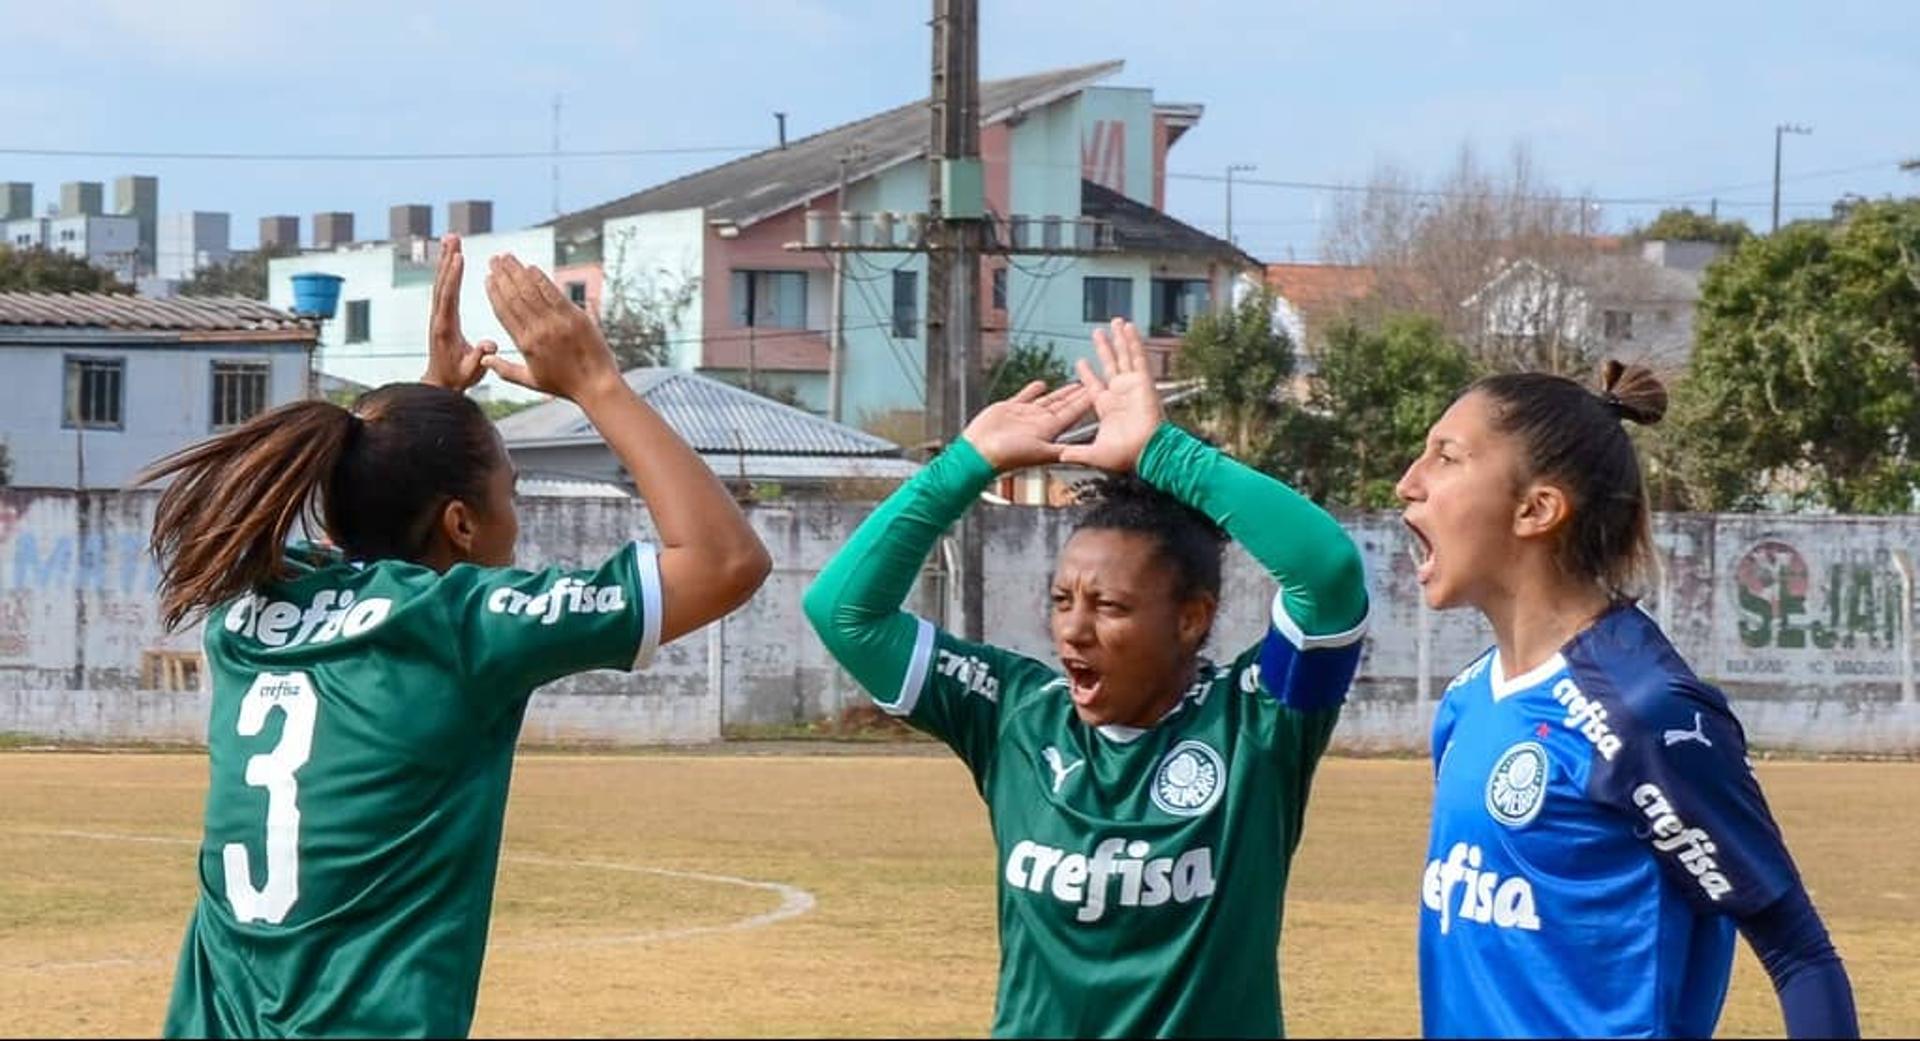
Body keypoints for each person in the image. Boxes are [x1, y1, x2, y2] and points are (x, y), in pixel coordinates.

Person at [151, 236, 771, 1038]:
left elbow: (363, 545)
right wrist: (596, 383)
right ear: (461, 523)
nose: (518, 514)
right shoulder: (460, 625)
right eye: (510, 491)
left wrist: (425, 404)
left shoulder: (245, 611)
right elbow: (725, 560)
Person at [804, 319, 1370, 1038]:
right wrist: (967, 463)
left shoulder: (1258, 722)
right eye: (1063, 599)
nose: (1073, 628)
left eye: (1108, 606)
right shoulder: (1014, 711)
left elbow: (1329, 573)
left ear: (1192, 618)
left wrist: (1165, 453)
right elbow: (844, 612)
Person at [1398, 361, 1859, 1039]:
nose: (1409, 481)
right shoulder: (1469, 698)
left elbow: (1800, 955)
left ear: (1537, 509)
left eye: (1445, 456)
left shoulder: (1645, 713)